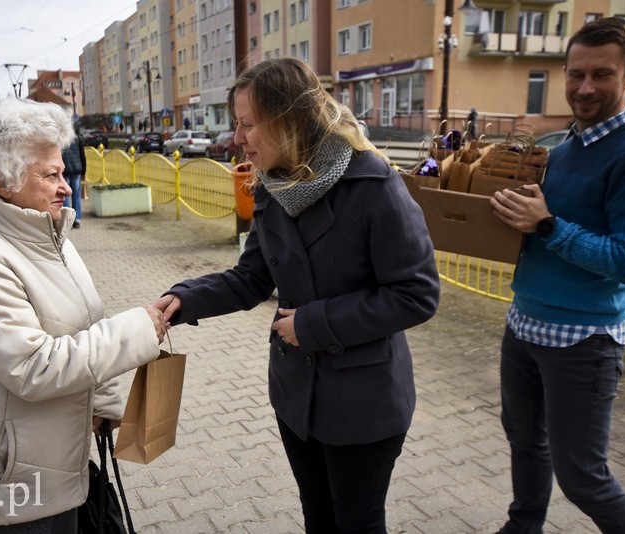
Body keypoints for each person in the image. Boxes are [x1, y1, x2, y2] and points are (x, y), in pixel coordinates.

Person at [154, 58, 440, 533]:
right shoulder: (273, 184)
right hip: (297, 397)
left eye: (248, 125)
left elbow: (416, 294)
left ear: (290, 122)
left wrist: (311, 325)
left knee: (357, 524)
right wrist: (185, 298)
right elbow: (251, 278)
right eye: (236, 125)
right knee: (318, 518)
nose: (237, 139)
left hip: (362, 402)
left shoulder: (373, 184)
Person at [0, 98, 169, 532]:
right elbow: (35, 366)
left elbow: (84, 323)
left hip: (48, 466)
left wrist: (103, 402)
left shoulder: (47, 235)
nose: (66, 184)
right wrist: (140, 329)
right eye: (50, 174)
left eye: (60, 170)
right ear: (1, 180)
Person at [489, 17, 625, 534]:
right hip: (525, 323)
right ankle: (524, 525)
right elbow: (536, 230)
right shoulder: (562, 149)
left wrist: (548, 225)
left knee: (583, 477)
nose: (584, 88)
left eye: (601, 74)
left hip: (584, 339)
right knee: (524, 441)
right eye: (575, 74)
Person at [62, 128, 86, 229]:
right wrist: (84, 171)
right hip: (77, 170)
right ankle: (77, 219)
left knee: (66, 196)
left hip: (66, 171)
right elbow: (82, 156)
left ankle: (68, 220)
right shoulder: (78, 139)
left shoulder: (61, 140)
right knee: (76, 195)